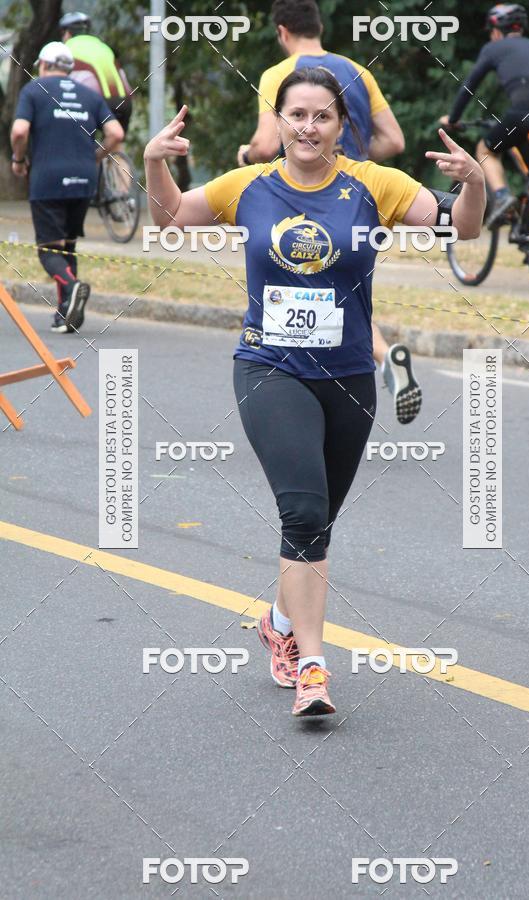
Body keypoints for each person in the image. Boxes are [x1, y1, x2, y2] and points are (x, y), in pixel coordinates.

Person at [144, 67, 485, 716]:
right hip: (269, 369)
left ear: (341, 125)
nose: (308, 127)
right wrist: (154, 163)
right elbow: (172, 216)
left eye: (322, 115)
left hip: (350, 376)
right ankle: (313, 668)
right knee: (302, 514)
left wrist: (473, 185)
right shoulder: (249, 185)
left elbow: (460, 228)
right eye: (296, 115)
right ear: (278, 122)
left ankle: (279, 622)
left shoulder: (374, 184)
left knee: (317, 523)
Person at [237, 0, 420, 426]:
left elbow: (267, 145)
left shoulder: (280, 75)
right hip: (356, 203)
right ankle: (383, 357)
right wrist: (354, 164)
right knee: (341, 297)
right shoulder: (358, 71)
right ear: (318, 26)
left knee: (290, 292)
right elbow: (394, 141)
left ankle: (284, 397)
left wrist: (245, 155)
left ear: (282, 32)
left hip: (298, 199)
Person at [11, 42, 123, 332]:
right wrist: (94, 157)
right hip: (84, 180)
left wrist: (19, 160)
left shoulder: (33, 90)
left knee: (49, 250)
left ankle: (72, 288)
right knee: (68, 246)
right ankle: (66, 314)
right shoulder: (90, 95)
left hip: (48, 180)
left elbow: (20, 130)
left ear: (44, 65)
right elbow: (115, 133)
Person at [441, 3, 529, 225]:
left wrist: (453, 119)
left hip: (521, 115)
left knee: (485, 150)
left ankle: (503, 196)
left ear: (496, 31)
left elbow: (469, 87)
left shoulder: (493, 49)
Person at [58, 11, 133, 143]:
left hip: (95, 103)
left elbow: (60, 83)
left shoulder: (66, 49)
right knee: (116, 143)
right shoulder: (104, 47)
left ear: (67, 33)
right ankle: (116, 155)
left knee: (81, 142)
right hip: (124, 102)